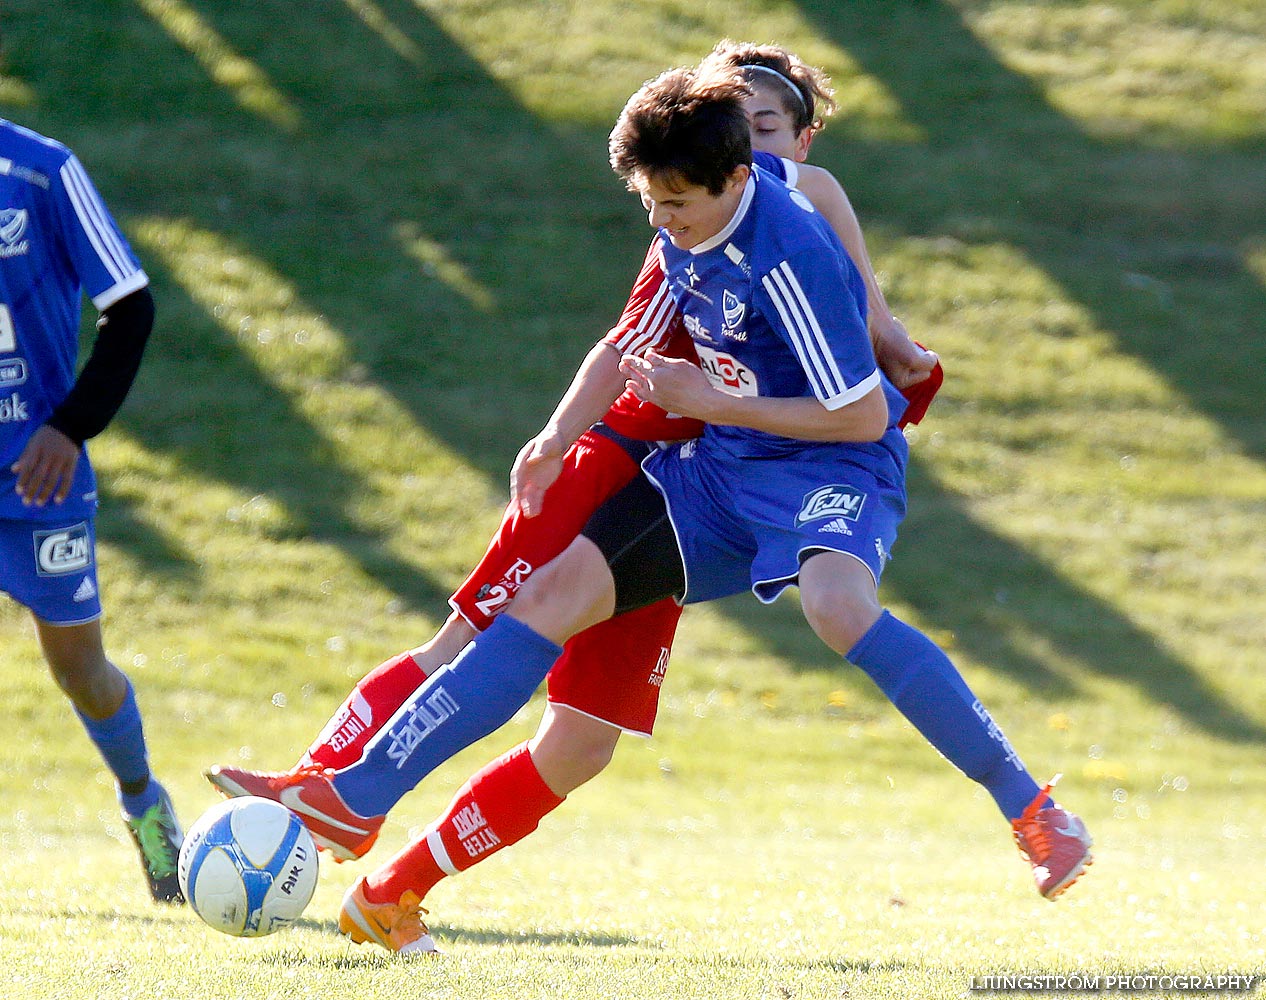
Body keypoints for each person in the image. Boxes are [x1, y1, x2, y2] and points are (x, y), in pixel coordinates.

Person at [225, 59, 1091, 955]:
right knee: (545, 604)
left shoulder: (787, 254)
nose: (659, 220)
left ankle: (1031, 809)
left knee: (837, 609)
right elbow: (629, 340)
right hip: (715, 472)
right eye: (650, 200)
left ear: (736, 178)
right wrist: (556, 436)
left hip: (830, 467)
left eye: (675, 203)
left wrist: (722, 400)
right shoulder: (688, 221)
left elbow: (861, 412)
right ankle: (362, 806)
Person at [0, 117, 183, 903]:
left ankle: (143, 800)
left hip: (37, 481)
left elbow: (131, 308)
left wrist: (70, 427)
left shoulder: (43, 172)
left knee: (80, 672)